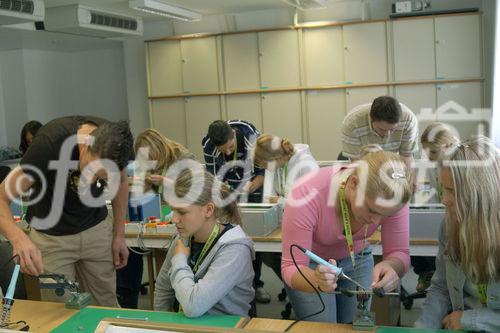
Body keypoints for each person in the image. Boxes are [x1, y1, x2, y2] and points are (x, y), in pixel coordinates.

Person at [0, 116, 133, 306]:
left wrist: (119, 234)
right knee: (60, 311)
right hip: (52, 238)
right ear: (86, 145)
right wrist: (18, 239)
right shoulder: (48, 145)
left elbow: (120, 183)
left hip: (95, 228)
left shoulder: (118, 145)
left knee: (105, 305)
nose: (93, 179)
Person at [281, 150, 412, 323]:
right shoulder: (305, 193)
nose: (376, 221)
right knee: (322, 326)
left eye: (385, 215)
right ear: (353, 183)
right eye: (372, 210)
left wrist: (392, 266)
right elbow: (291, 267)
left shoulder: (394, 195)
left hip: (358, 258)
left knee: (354, 325)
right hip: (311, 265)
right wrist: (316, 280)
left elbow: (399, 252)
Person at [415, 136, 500, 332]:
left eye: (453, 191)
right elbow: (441, 288)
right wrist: (422, 328)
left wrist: (473, 320)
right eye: (443, 189)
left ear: (480, 193)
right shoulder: (449, 226)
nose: (444, 200)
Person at [154, 169, 255, 318]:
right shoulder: (182, 238)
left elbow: (194, 306)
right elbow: (163, 289)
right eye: (173, 210)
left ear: (208, 210)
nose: (174, 219)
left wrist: (180, 260)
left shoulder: (235, 249)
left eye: (182, 212)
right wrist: (162, 326)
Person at [116, 129, 193, 309]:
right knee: (131, 248)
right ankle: (127, 299)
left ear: (161, 148)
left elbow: (196, 188)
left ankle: (175, 299)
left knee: (171, 259)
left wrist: (167, 181)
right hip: (154, 216)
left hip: (181, 216)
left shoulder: (183, 157)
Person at [202, 119, 270, 303]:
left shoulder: (250, 136)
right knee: (227, 231)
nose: (228, 152)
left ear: (233, 134)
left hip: (252, 183)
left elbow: (262, 174)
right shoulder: (209, 146)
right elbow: (213, 179)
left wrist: (248, 189)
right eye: (223, 150)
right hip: (228, 186)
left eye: (230, 146)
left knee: (252, 235)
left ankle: (256, 284)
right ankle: (230, 282)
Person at [411, 122, 460, 292]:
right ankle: (427, 273)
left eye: (433, 152)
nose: (429, 157)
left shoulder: (462, 166)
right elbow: (430, 198)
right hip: (443, 217)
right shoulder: (434, 166)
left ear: (448, 145)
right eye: (426, 153)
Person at [340, 96, 418, 167]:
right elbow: (357, 163)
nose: (387, 134)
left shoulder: (408, 121)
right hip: (364, 161)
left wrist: (409, 182)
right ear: (371, 118)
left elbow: (406, 157)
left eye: (392, 129)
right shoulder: (352, 124)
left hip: (392, 160)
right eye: (382, 129)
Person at [253, 134, 319, 205]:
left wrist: (281, 201)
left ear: (276, 158)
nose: (265, 168)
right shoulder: (273, 165)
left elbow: (315, 201)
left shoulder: (306, 163)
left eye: (265, 165)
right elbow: (268, 199)